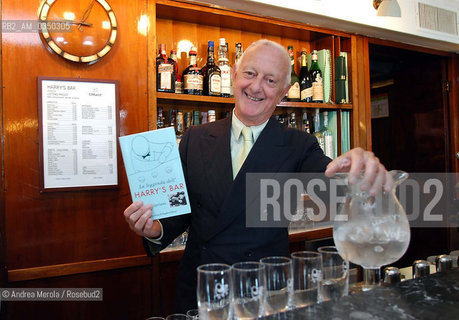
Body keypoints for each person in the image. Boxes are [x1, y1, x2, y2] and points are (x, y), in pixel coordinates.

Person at [123, 39, 392, 312]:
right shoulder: (195, 138)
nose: (255, 87)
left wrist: (356, 173)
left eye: (270, 80)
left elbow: (331, 185)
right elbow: (182, 209)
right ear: (236, 75)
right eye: (250, 74)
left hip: (263, 293)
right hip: (201, 287)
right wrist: (155, 229)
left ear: (284, 92)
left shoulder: (299, 145)